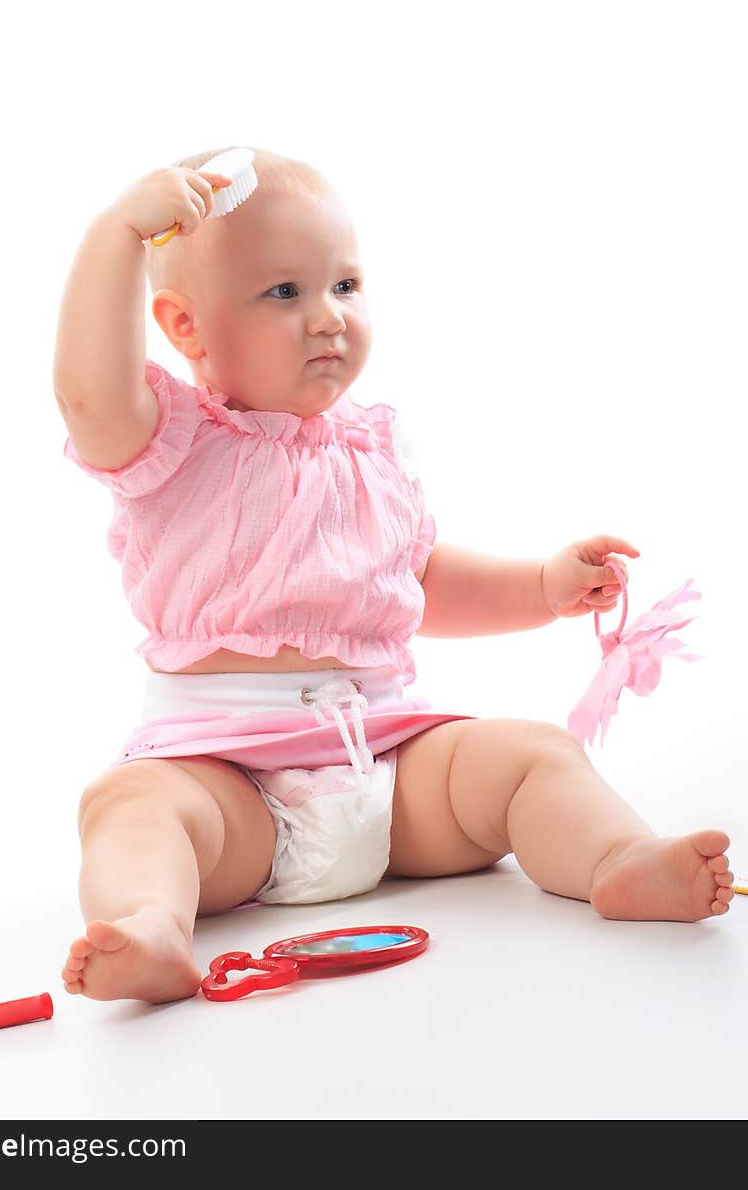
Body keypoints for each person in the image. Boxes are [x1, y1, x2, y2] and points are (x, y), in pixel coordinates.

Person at [53, 146, 734, 1005]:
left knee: (532, 755)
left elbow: (417, 584)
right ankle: (151, 921)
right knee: (132, 806)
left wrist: (541, 588)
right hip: (225, 778)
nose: (328, 317)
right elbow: (88, 392)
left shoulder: (372, 448)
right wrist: (117, 233)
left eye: (344, 286)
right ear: (185, 326)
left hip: (384, 756)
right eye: (283, 293)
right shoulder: (167, 445)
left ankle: (621, 860)